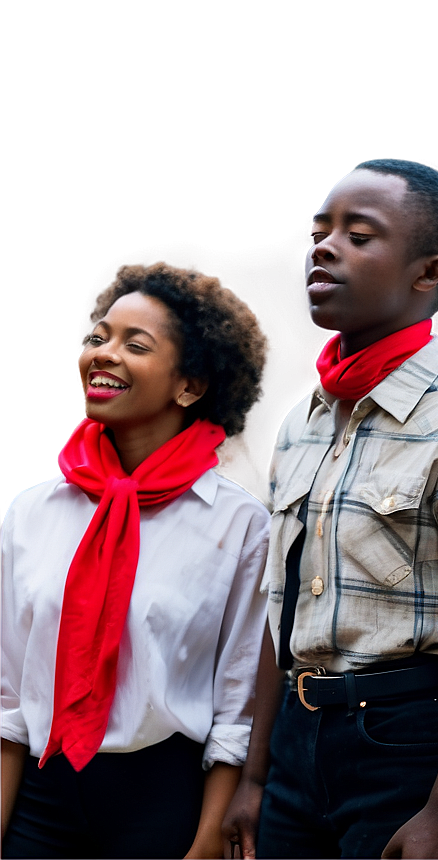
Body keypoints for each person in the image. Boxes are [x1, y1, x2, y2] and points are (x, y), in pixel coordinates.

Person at [222, 158, 438, 859]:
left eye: (359, 235)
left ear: (429, 272)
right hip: (299, 751)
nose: (325, 247)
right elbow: (284, 619)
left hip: (417, 744)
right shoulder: (302, 424)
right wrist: (256, 777)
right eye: (320, 231)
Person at [1, 261, 271, 859]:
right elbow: (8, 698)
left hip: (164, 804)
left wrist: (205, 844)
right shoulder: (32, 512)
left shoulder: (240, 524)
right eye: (98, 338)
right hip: (41, 800)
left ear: (190, 386)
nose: (103, 354)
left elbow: (240, 704)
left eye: (134, 344)